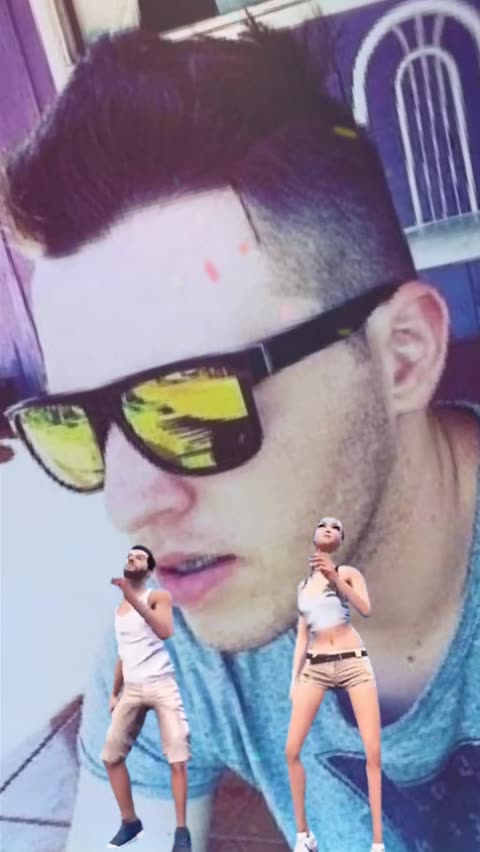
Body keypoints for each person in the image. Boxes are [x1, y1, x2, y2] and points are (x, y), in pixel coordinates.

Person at [3, 19, 479, 852]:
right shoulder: (178, 634)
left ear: (402, 356)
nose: (128, 505)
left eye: (191, 405)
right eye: (81, 424)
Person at [287, 518, 383, 852]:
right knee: (292, 751)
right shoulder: (303, 586)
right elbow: (302, 635)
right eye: (323, 525)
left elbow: (365, 608)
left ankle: (377, 843)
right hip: (316, 666)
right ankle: (304, 836)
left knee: (372, 752)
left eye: (336, 527)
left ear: (340, 540)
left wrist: (335, 578)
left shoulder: (347, 572)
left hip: (352, 661)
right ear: (314, 535)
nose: (329, 528)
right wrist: (294, 679)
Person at [104, 544, 191, 849]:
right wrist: (114, 692)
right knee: (111, 758)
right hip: (132, 688)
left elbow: (164, 629)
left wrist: (133, 598)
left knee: (177, 759)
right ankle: (130, 822)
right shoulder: (120, 610)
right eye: (129, 556)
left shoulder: (158, 596)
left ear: (150, 569)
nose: (131, 559)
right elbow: (123, 654)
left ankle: (181, 832)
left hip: (161, 684)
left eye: (139, 557)